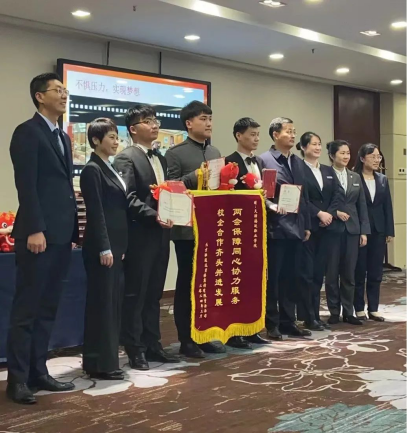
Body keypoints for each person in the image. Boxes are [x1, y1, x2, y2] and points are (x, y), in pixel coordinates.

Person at [7, 73, 78, 404]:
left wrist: (72, 231)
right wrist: (35, 228)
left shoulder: (62, 136)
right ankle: (18, 380)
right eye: (57, 90)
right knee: (27, 308)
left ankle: (39, 371)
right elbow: (27, 185)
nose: (64, 95)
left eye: (65, 90)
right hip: (38, 234)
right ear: (39, 96)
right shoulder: (27, 132)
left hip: (61, 235)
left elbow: (63, 188)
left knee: (48, 307)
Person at [114, 104, 178, 370]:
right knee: (136, 293)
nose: (155, 125)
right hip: (140, 234)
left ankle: (153, 344)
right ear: (133, 129)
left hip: (161, 234)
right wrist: (154, 215)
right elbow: (127, 197)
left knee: (154, 293)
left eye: (156, 120)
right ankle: (135, 348)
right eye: (148, 121)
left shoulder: (160, 158)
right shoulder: (126, 158)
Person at [165, 100, 226, 358]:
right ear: (189, 123)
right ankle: (186, 339)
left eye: (210, 118)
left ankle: (204, 334)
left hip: (213, 229)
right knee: (188, 283)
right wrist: (194, 176)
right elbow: (171, 188)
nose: (209, 123)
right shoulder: (175, 153)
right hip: (187, 231)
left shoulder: (215, 152)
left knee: (209, 284)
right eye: (203, 118)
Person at [80, 118, 128, 380]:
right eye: (111, 137)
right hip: (102, 247)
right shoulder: (92, 170)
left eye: (117, 137)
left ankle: (106, 360)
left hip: (116, 245)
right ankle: (100, 363)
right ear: (96, 140)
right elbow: (96, 212)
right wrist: (105, 247)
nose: (116, 141)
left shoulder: (109, 167)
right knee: (102, 305)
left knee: (112, 303)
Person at [260, 117, 312, 340]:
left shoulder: (298, 162)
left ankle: (289, 321)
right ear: (275, 134)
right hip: (276, 228)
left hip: (296, 228)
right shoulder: (264, 160)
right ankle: (272, 323)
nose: (292, 135)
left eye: (294, 131)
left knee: (292, 277)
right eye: (288, 131)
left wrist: (306, 225)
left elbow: (304, 196)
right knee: (274, 278)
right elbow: (262, 195)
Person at [224, 117, 272, 349]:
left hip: (258, 228)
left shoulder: (259, 162)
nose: (256, 139)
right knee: (236, 280)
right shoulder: (228, 162)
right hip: (238, 229)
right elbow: (225, 196)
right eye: (252, 134)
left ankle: (252, 328)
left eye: (257, 135)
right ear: (238, 135)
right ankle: (234, 332)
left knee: (255, 280)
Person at [296, 132, 342, 331]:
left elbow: (337, 195)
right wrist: (319, 214)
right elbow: (301, 198)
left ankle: (315, 315)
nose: (317, 148)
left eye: (319, 144)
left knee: (318, 274)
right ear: (303, 147)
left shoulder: (327, 170)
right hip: (309, 226)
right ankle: (307, 316)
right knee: (306, 273)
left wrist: (329, 214)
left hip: (326, 228)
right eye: (313, 144)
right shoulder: (298, 169)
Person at [325, 140, 370, 325]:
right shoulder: (325, 174)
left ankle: (348, 312)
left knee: (349, 273)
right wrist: (335, 212)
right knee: (332, 273)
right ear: (332, 155)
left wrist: (364, 231)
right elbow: (321, 202)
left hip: (352, 230)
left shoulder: (355, 177)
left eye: (348, 153)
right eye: (342, 153)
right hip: (332, 229)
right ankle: (334, 312)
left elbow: (362, 205)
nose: (346, 156)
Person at [353, 143, 394, 322]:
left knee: (376, 271)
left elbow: (387, 206)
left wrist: (389, 230)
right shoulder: (354, 177)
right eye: (373, 156)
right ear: (363, 158)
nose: (377, 160)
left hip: (378, 229)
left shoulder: (382, 179)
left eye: (379, 157)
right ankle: (358, 308)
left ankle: (374, 308)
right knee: (359, 270)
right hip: (360, 230)